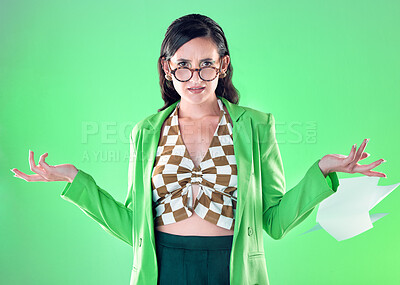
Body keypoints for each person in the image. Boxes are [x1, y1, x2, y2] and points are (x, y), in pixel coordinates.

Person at [11, 13, 386, 285]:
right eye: (183, 65)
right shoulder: (146, 131)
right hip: (163, 267)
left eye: (206, 64)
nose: (194, 77)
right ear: (167, 68)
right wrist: (76, 180)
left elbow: (273, 222)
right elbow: (133, 227)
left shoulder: (255, 125)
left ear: (223, 66)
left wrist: (322, 171)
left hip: (232, 267)